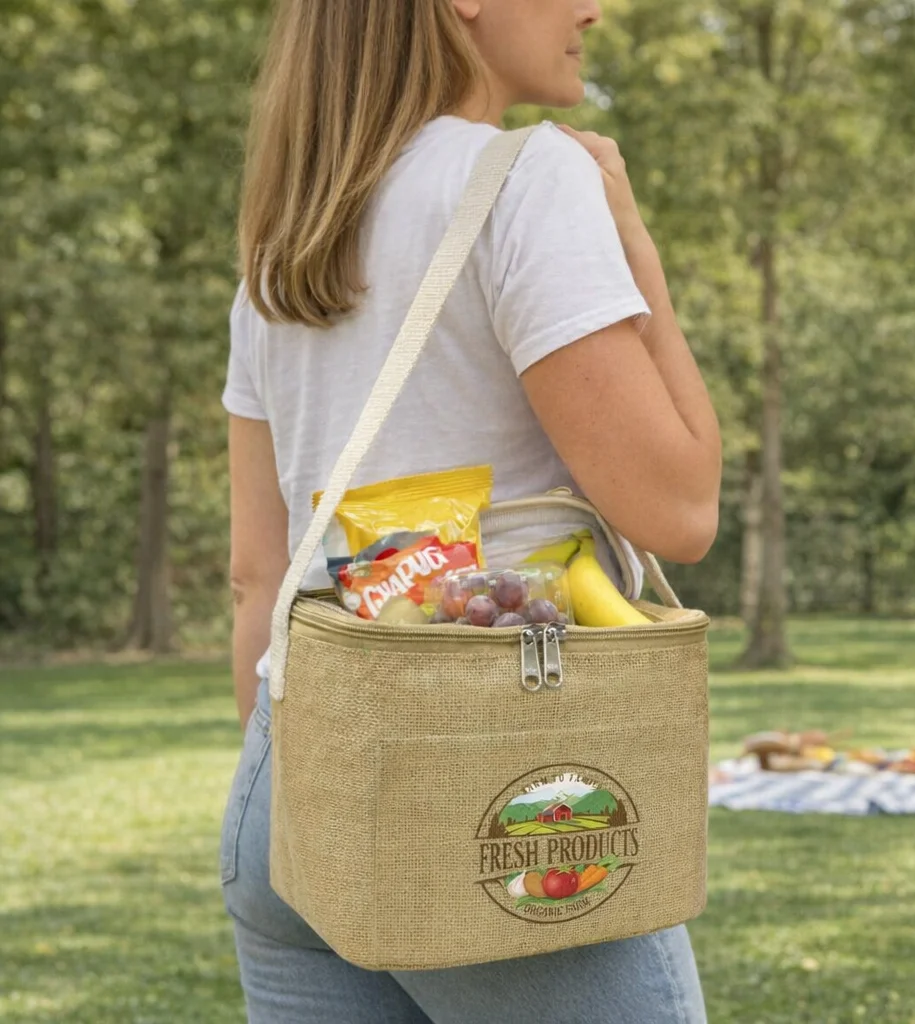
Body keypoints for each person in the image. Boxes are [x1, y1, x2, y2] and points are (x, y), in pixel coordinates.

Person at [220, 0, 722, 1020]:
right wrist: (638, 251)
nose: (593, 8)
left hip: (293, 777)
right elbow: (681, 508)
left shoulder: (282, 249)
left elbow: (254, 577)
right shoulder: (526, 178)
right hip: (502, 784)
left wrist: (320, 790)